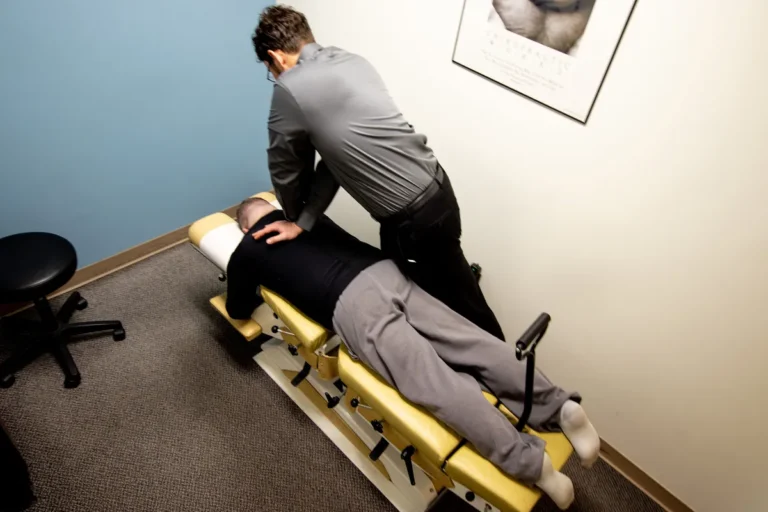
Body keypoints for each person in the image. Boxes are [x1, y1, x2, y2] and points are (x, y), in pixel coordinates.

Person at [226, 197, 600, 510]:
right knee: (472, 343)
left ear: (244, 227)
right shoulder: (307, 214)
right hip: (385, 271)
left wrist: (255, 278)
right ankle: (561, 408)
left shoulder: (246, 250)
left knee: (436, 384)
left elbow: (239, 309)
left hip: (352, 304)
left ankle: (534, 467)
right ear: (273, 207)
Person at [249, 5, 505, 341]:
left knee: (438, 304)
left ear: (276, 58)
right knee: (449, 286)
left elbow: (285, 168)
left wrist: (293, 215)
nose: (275, 77)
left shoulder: (290, 88)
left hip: (412, 223)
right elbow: (336, 161)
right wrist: (305, 220)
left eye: (271, 70)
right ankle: (498, 369)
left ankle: (506, 378)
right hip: (439, 192)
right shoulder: (351, 61)